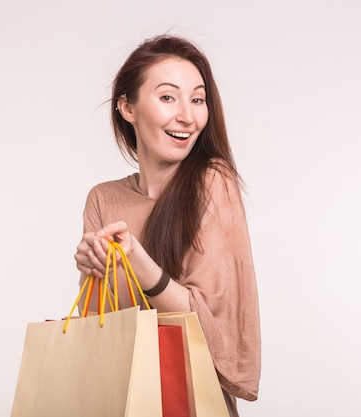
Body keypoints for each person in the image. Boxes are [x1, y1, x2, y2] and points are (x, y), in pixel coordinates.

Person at [74, 34, 261, 416]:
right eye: (167, 97)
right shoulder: (102, 199)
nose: (187, 117)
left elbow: (208, 325)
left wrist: (136, 259)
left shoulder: (213, 182)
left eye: (197, 99)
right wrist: (90, 270)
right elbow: (98, 327)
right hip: (119, 400)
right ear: (127, 107)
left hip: (188, 401)